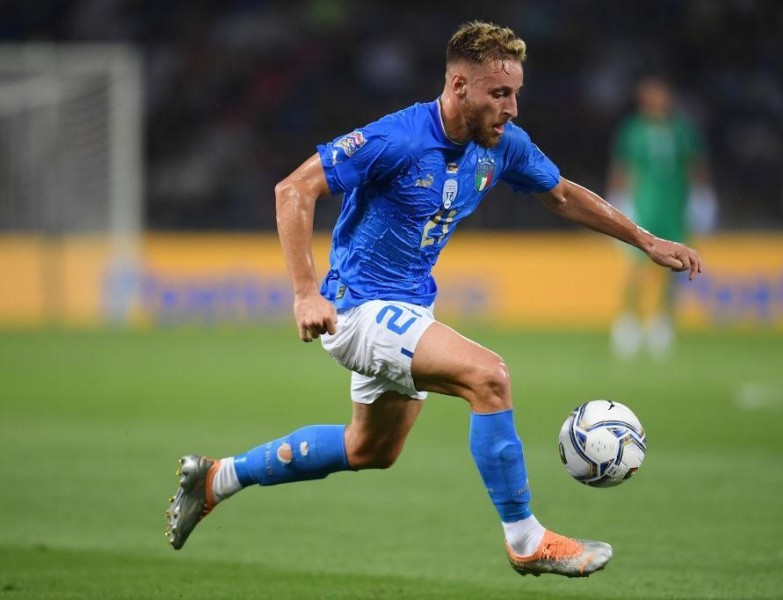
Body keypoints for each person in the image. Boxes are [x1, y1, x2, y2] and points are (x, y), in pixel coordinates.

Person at [165, 21, 702, 578]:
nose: (512, 108)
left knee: (369, 449)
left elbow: (562, 195)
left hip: (407, 310)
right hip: (357, 310)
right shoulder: (397, 138)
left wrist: (645, 240)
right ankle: (526, 538)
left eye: (516, 93)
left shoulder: (503, 146)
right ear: (459, 87)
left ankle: (217, 477)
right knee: (488, 376)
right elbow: (294, 189)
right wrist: (304, 293)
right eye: (500, 94)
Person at [607, 76, 713, 358]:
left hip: (675, 209)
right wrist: (618, 201)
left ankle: (662, 322)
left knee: (676, 267)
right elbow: (623, 167)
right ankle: (628, 321)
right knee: (636, 267)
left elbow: (695, 166)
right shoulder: (633, 131)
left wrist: (703, 198)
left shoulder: (682, 130)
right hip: (643, 209)